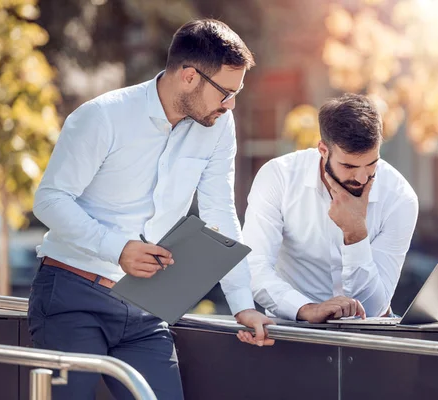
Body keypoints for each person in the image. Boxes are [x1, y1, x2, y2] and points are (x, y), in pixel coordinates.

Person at [29, 19, 274, 400]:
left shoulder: (218, 127)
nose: (231, 105)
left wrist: (243, 304)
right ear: (189, 76)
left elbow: (221, 211)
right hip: (73, 296)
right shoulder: (102, 117)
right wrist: (118, 249)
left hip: (146, 308)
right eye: (226, 92)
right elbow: (50, 200)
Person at [243, 94, 419, 323]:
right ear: (323, 150)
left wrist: (355, 233)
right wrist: (306, 309)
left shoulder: (399, 197)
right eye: (348, 166)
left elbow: (374, 307)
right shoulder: (279, 177)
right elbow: (254, 266)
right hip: (296, 329)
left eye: (372, 163)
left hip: (371, 333)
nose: (363, 177)